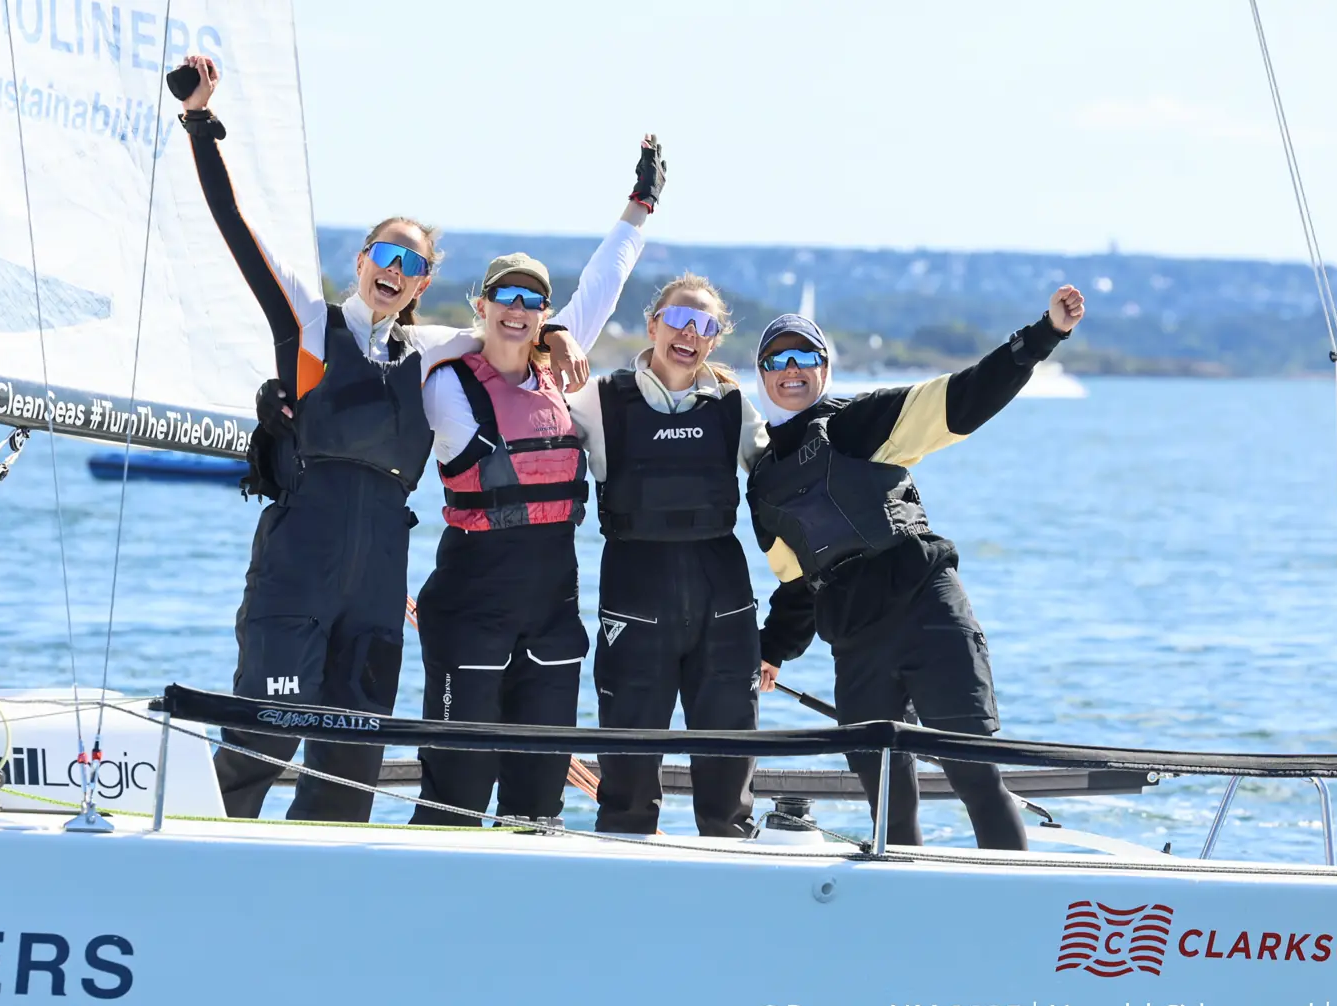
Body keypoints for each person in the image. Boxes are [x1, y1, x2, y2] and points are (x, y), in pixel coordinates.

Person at [176, 54, 596, 823]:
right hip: (300, 559)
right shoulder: (310, 323)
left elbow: (509, 326)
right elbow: (238, 232)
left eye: (414, 263)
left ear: (424, 282)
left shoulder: (431, 349)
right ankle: (203, 849)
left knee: (350, 757)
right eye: (387, 254)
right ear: (362, 259)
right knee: (267, 736)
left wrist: (557, 328)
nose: (396, 271)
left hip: (378, 575)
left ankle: (322, 899)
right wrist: (202, 125)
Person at [749, 286, 1086, 849]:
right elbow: (797, 586)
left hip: (926, 610)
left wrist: (1043, 335)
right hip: (856, 641)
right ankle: (908, 917)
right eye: (777, 360)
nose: (791, 370)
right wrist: (771, 649)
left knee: (975, 775)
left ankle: (1016, 908)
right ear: (762, 375)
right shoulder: (761, 484)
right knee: (887, 799)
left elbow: (965, 397)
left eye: (804, 357)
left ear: (824, 368)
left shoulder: (859, 423)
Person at [407, 151, 665, 828]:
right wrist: (530, 335)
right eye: (506, 300)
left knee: (538, 802)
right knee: (455, 795)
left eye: (534, 303)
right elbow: (406, 345)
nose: (518, 312)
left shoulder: (561, 371)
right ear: (482, 304)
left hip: (552, 610)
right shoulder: (446, 382)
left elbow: (603, 286)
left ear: (546, 312)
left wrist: (638, 209)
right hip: (471, 607)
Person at [565, 274, 768, 837]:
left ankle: (733, 873)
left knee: (728, 778)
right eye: (679, 319)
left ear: (715, 339)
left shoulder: (733, 407)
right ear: (653, 324)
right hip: (635, 592)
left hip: (722, 598)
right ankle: (626, 875)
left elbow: (787, 487)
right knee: (627, 777)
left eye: (705, 326)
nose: (689, 333)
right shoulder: (600, 401)